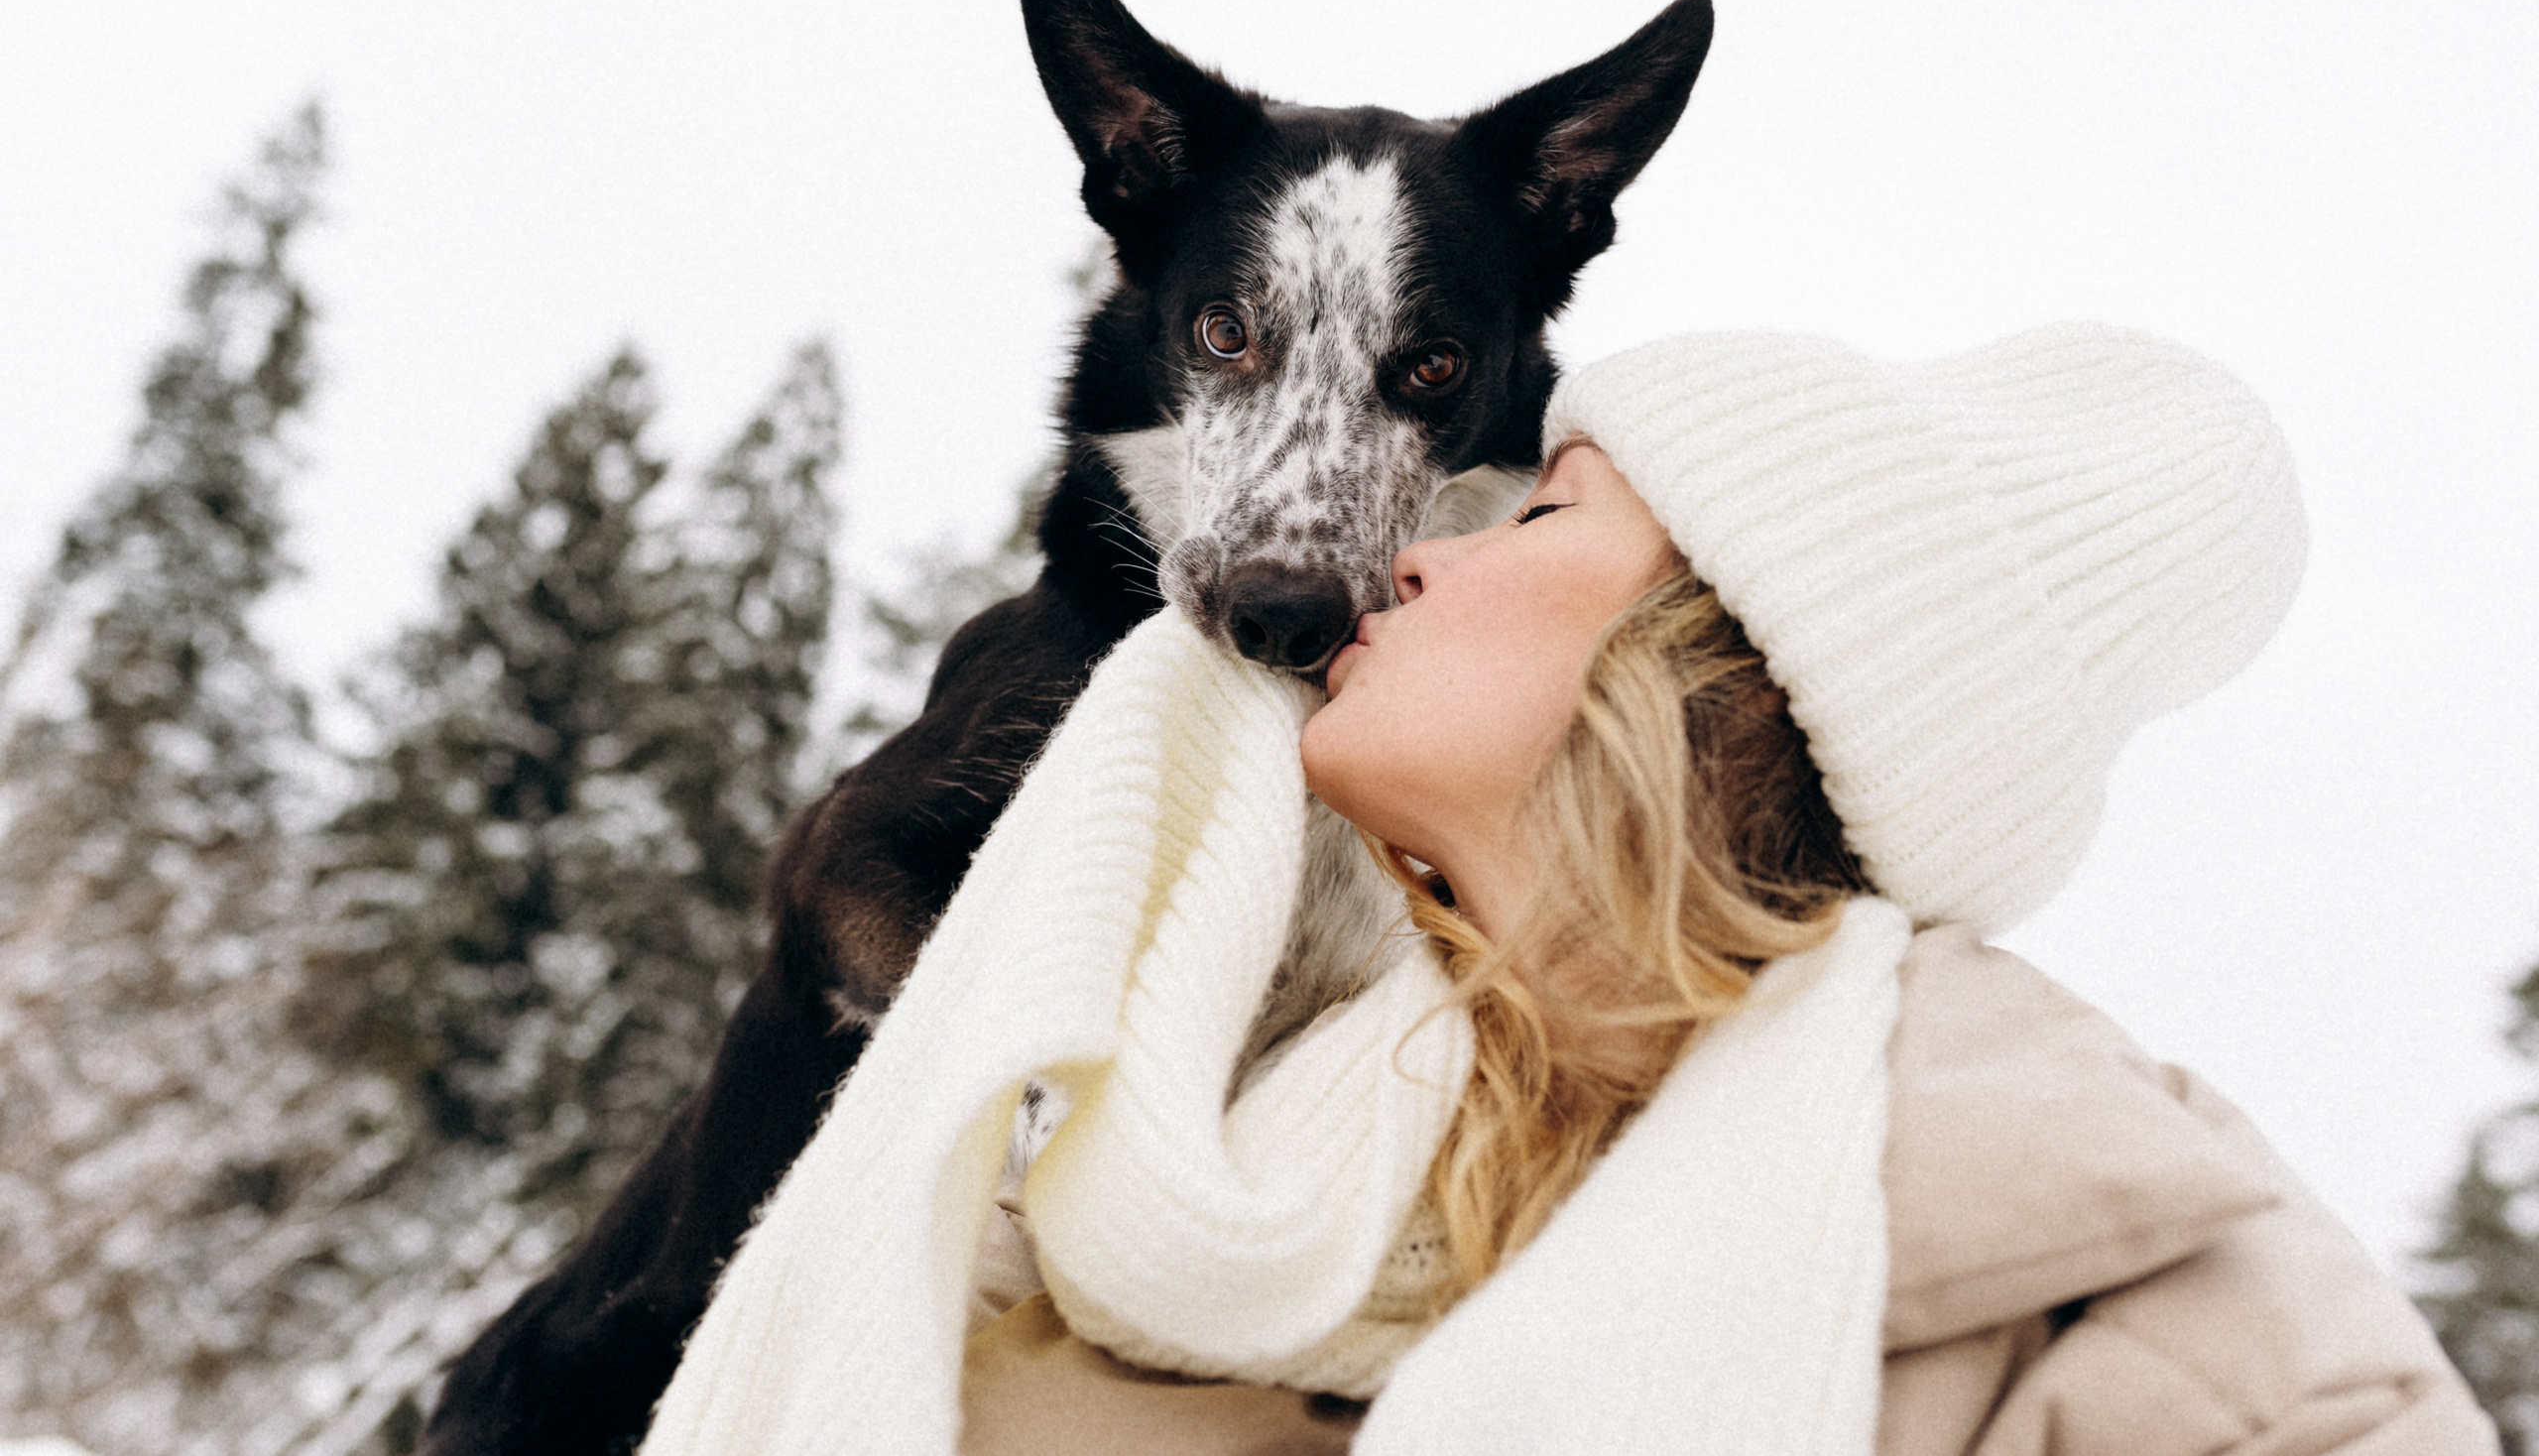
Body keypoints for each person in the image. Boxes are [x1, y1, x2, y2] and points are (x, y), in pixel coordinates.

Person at [638, 325, 2494, 1456]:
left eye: (1535, 514)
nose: (1410, 561)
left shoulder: (2163, 1310)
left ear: (1718, 665)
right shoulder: (1124, 1138)